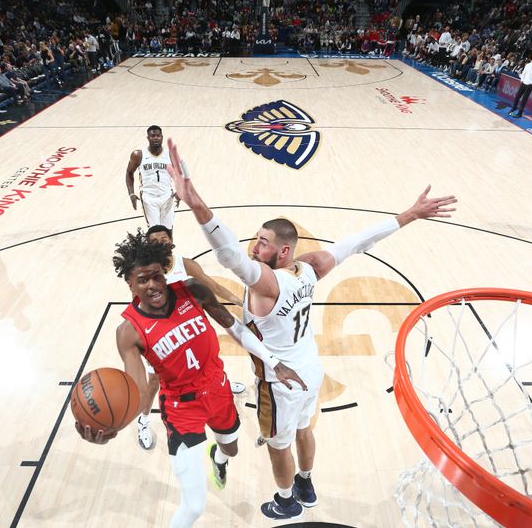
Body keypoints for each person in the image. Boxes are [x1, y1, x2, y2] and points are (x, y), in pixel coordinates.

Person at [166, 139, 457, 520]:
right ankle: (306, 482)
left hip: (279, 379)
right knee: (305, 430)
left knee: (277, 444)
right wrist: (408, 215)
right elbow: (357, 242)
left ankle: (286, 500)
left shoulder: (266, 283)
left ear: (282, 251)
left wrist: (195, 203)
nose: (255, 247)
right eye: (257, 239)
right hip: (309, 369)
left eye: (264, 244)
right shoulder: (309, 268)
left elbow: (228, 255)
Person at [77, 229, 306, 528]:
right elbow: (137, 389)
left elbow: (234, 327)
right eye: (142, 280)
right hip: (181, 408)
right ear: (129, 283)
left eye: (157, 276)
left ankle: (219, 457)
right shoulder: (129, 331)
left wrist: (274, 363)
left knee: (231, 448)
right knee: (194, 507)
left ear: (164, 271)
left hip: (218, 388)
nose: (152, 285)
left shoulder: (192, 290)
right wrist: (115, 427)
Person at [133, 224, 248, 451]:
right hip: (163, 338)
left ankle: (218, 386)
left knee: (208, 360)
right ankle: (143, 421)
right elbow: (140, 307)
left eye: (164, 238)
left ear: (171, 240)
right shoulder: (144, 273)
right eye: (154, 239)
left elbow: (212, 286)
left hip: (191, 331)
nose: (160, 242)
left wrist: (240, 301)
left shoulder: (185, 264)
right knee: (155, 381)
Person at [126, 125, 179, 230]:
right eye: (152, 136)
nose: (155, 138)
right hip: (148, 197)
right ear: (147, 138)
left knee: (168, 231)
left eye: (158, 136)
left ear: (162, 137)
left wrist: (180, 190)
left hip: (167, 195)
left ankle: (168, 247)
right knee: (155, 232)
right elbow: (129, 173)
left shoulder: (170, 154)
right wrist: (131, 193)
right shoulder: (138, 155)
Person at [509, 53, 532, 118]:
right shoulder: (528, 65)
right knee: (517, 96)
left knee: (524, 99)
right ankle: (514, 108)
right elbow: (524, 73)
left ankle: (520, 113)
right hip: (523, 83)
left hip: (530, 85)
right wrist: (522, 80)